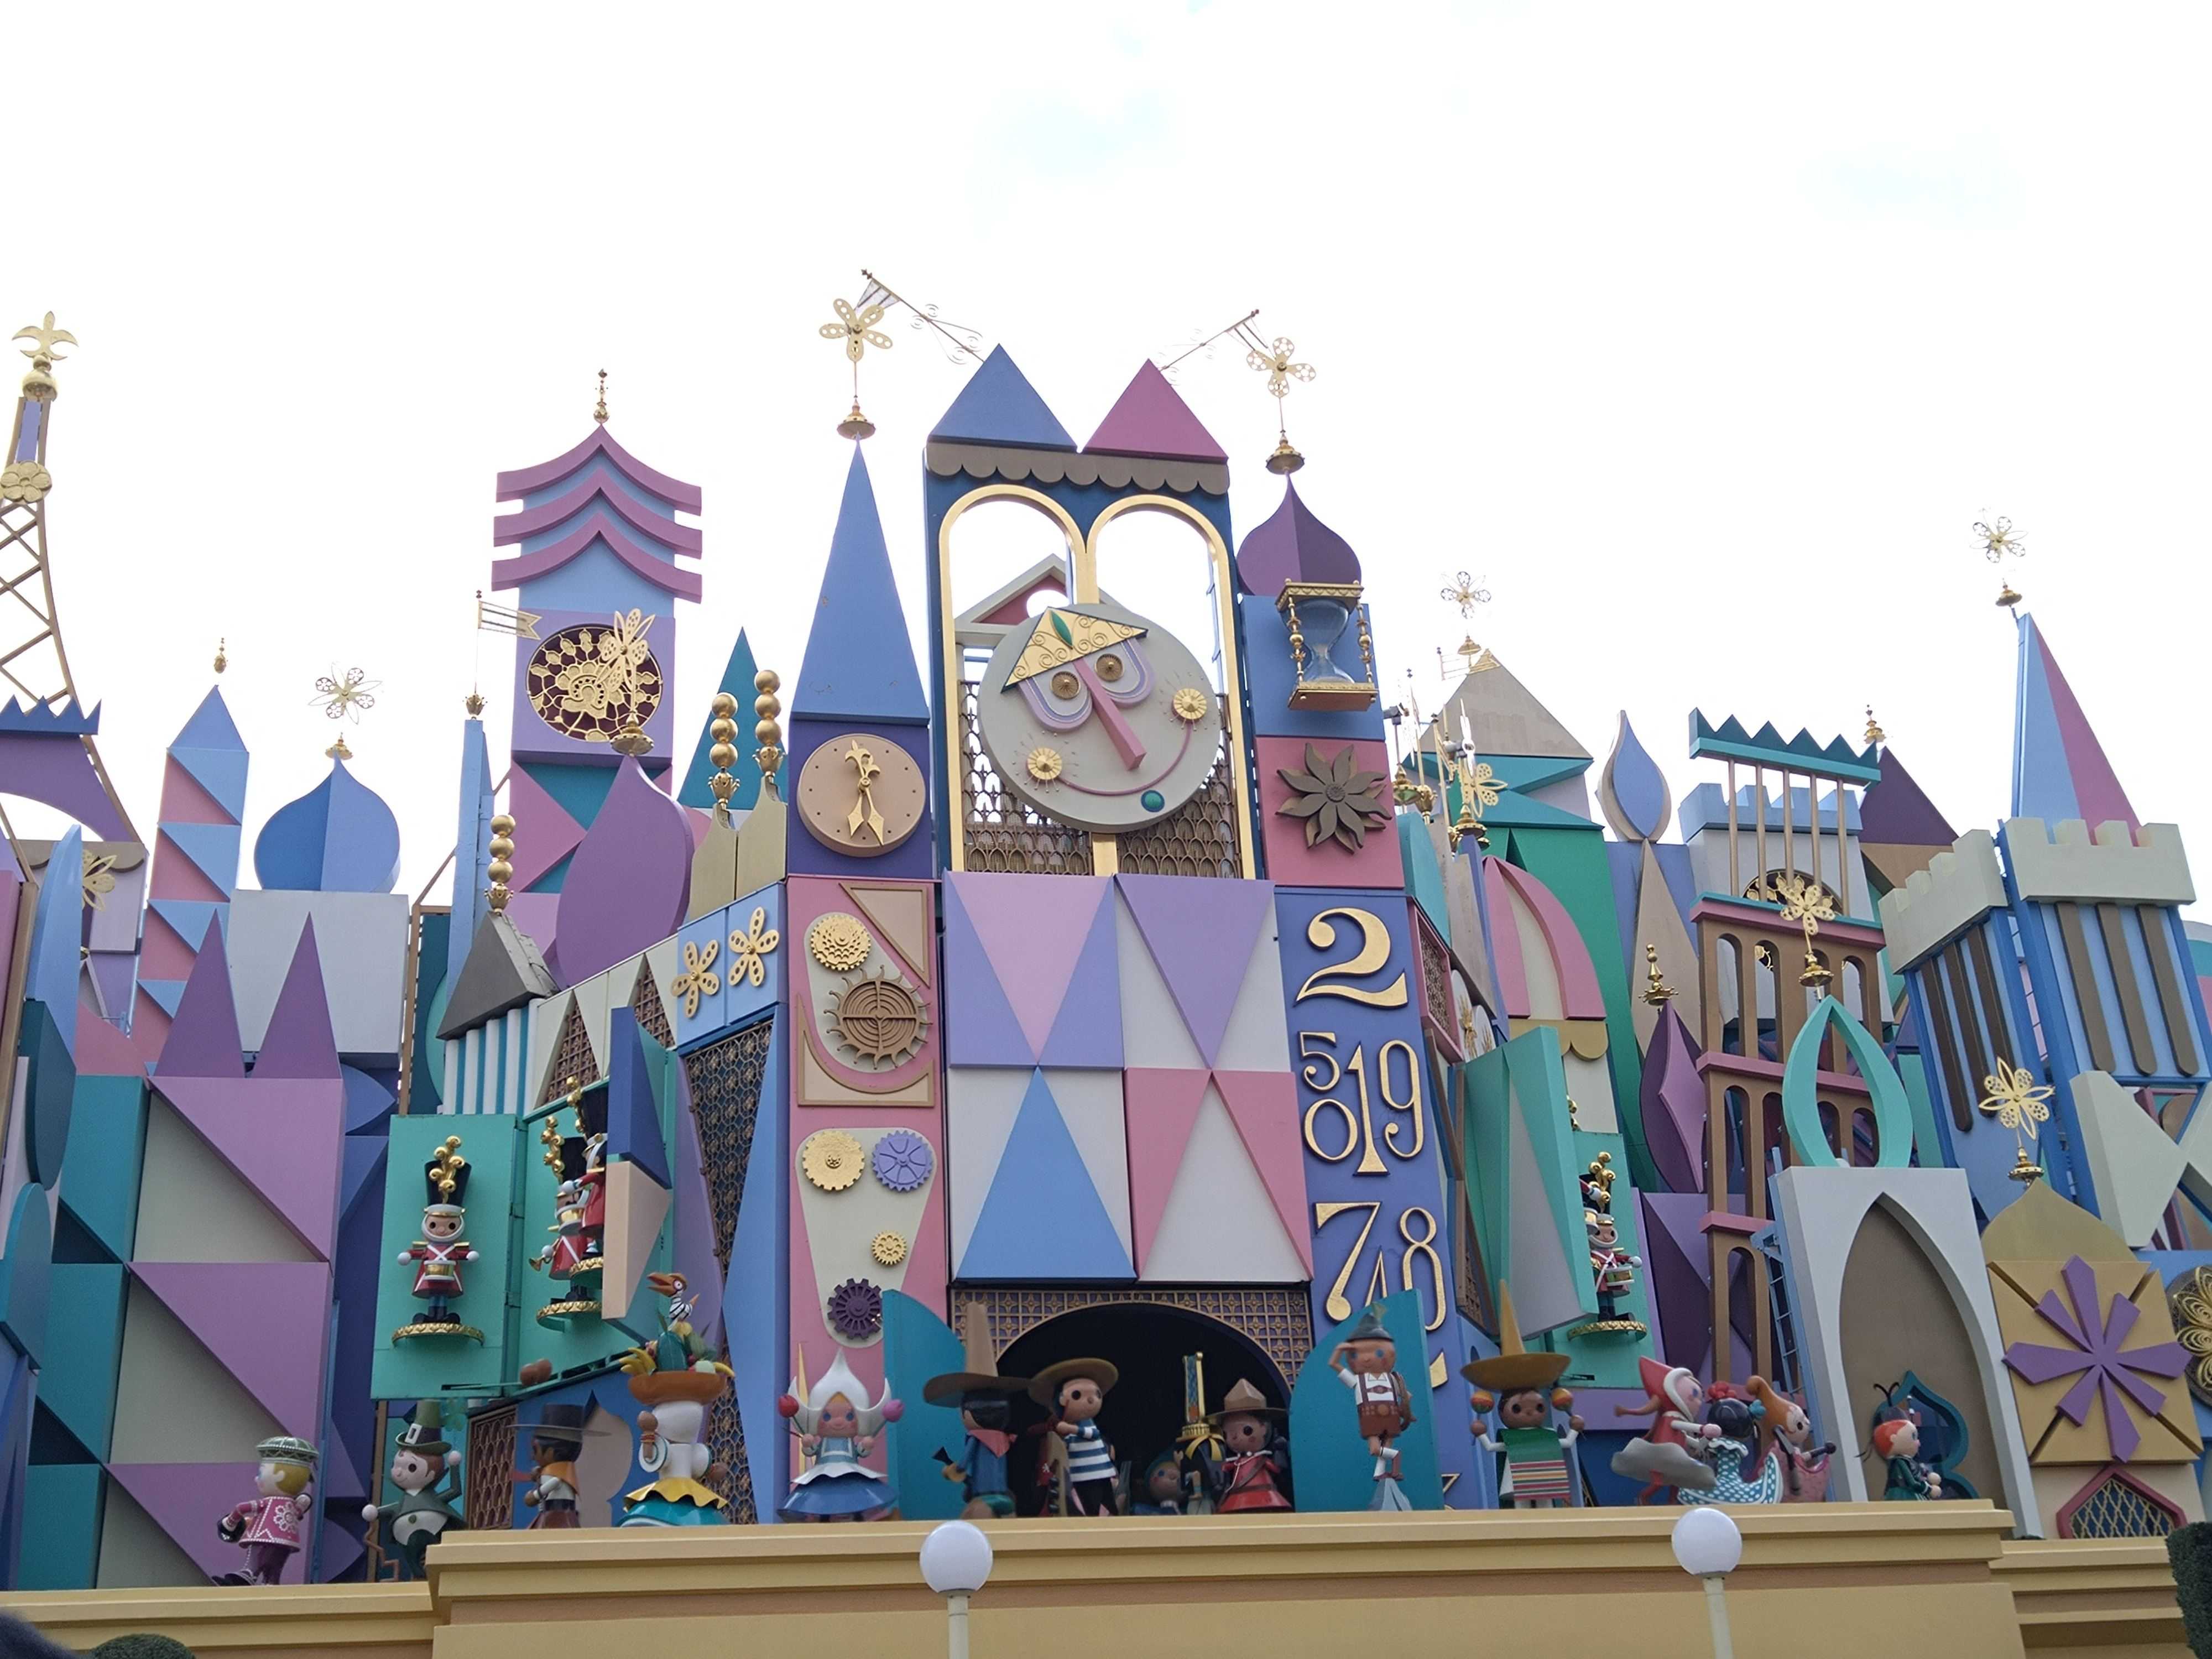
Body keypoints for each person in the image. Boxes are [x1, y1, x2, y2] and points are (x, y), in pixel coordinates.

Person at [779, 1353, 902, 1521]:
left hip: (852, 1476)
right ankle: (825, 1518)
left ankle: (855, 1516)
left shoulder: (849, 1443)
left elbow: (861, 1452)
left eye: (849, 1417)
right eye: (827, 1417)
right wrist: (808, 1444)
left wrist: (866, 1446)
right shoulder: (824, 1443)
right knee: (823, 1500)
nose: (838, 1422)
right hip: (823, 1478)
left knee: (854, 1497)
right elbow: (811, 1451)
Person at [1329, 1308, 1413, 1511]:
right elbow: (1334, 1364)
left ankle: (1380, 1473)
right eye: (1359, 1354)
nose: (1367, 1359)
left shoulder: (1391, 1378)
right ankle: (1396, 1456)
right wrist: (1339, 1351)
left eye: (1377, 1353)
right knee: (1375, 1449)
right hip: (1370, 1416)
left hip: (1391, 1414)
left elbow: (1406, 1396)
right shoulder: (1359, 1381)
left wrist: (1406, 1410)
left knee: (1383, 1448)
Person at [215, 1437, 318, 1585]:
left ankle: (247, 1575)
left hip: (264, 1537)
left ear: (279, 1476)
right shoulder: (292, 1506)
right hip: (286, 1542)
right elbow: (301, 1508)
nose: (257, 1479)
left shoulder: (267, 1503)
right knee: (275, 1570)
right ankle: (271, 1584)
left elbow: (241, 1508)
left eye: (260, 1473)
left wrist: (230, 1523)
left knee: (254, 1561)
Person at [1029, 1359, 1121, 1516]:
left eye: (1096, 1394)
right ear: (1061, 1400)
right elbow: (1068, 1446)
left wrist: (1070, 1429)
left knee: (1107, 1503)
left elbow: (1093, 1434)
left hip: (1099, 1473)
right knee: (1088, 1507)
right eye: (1077, 1395)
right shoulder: (1070, 1429)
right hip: (1080, 1475)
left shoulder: (1087, 1424)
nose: (1091, 1399)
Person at [1201, 1378, 1293, 1512]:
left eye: (1247, 1431)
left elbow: (1275, 1468)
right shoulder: (1237, 1461)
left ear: (1263, 1428)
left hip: (1265, 1494)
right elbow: (1226, 1469)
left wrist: (1279, 1457)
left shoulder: (1261, 1459)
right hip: (1238, 1496)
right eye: (1227, 1434)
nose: (1236, 1438)